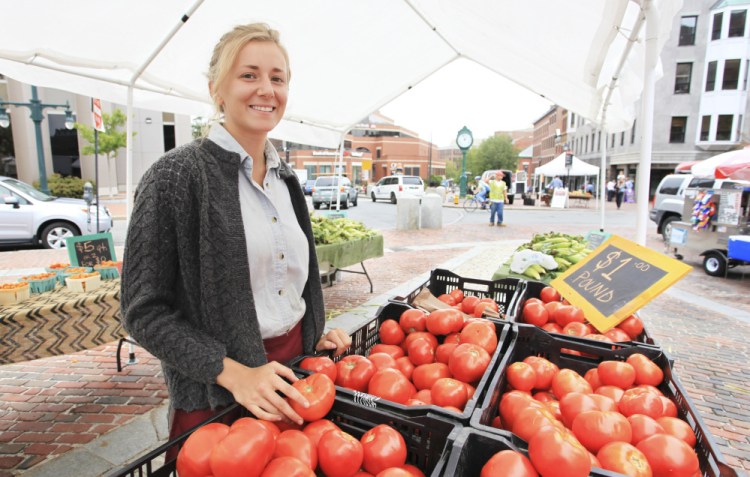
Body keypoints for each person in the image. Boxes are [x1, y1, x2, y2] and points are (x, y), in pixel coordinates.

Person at [120, 23, 352, 449]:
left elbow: (280, 286)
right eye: (249, 75)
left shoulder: (288, 181)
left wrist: (312, 331)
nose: (266, 89)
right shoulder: (175, 177)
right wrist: (235, 373)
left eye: (277, 78)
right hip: (218, 399)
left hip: (297, 383)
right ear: (217, 89)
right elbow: (143, 312)